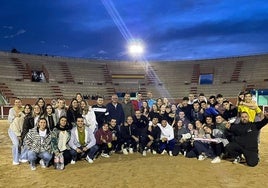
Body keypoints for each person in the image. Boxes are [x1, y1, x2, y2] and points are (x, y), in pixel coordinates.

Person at [8, 98, 24, 165]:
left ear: (21, 103)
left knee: (20, 144)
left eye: (19, 102)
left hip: (20, 131)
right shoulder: (11, 110)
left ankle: (20, 157)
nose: (17, 103)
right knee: (16, 144)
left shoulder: (23, 110)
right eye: (16, 102)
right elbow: (10, 120)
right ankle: (15, 159)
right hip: (12, 130)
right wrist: (15, 115)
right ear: (14, 103)